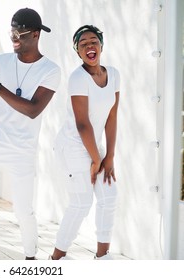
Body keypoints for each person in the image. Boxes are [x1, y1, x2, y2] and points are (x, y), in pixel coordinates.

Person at [0, 8, 61, 260]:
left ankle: (30, 260)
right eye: (12, 32)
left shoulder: (50, 70)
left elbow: (32, 110)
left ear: (36, 35)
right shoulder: (1, 62)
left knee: (24, 211)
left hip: (22, 150)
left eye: (21, 33)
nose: (14, 38)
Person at [49, 25, 120, 260]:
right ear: (78, 52)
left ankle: (102, 257)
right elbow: (82, 124)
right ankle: (56, 259)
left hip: (93, 146)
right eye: (83, 44)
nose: (89, 46)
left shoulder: (114, 74)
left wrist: (108, 156)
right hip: (72, 145)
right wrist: (96, 159)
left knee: (109, 196)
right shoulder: (78, 78)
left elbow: (112, 116)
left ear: (101, 45)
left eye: (93, 41)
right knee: (81, 202)